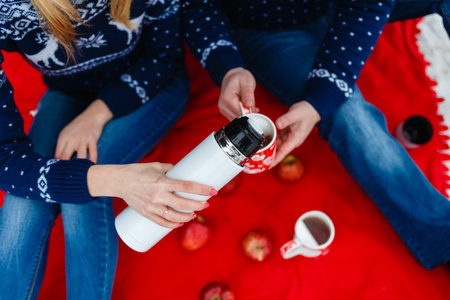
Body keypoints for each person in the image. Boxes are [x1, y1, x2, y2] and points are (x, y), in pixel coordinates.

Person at [0, 0, 255, 299]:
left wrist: (95, 116)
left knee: (81, 200)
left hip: (150, 84)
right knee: (22, 203)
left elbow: (162, 58)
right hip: (67, 94)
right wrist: (110, 179)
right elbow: (5, 158)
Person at [181, 0, 450, 269]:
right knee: (350, 114)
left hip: (339, 8)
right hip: (267, 26)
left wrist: (322, 97)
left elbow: (368, 6)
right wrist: (226, 66)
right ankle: (443, 237)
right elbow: (194, 5)